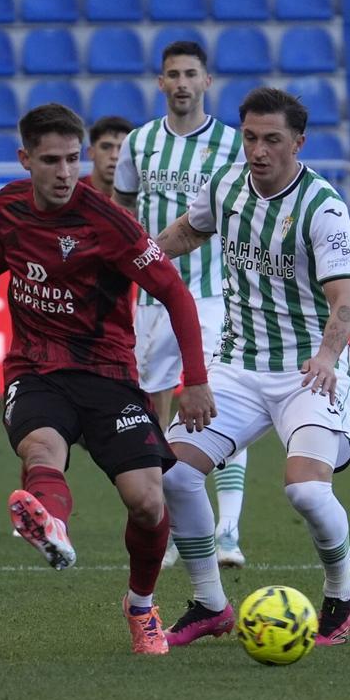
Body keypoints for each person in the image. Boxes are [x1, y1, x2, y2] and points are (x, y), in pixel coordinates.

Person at [0, 103, 216, 656]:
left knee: (148, 501)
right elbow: (7, 245)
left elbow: (174, 292)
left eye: (73, 159)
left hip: (108, 374)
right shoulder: (10, 202)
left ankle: (141, 606)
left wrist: (193, 379)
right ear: (24, 159)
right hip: (36, 368)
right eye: (50, 160)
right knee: (41, 447)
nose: (64, 172)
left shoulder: (110, 224)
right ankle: (51, 524)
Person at [154, 87, 350, 647]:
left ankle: (340, 592)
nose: (259, 151)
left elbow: (345, 298)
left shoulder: (324, 206)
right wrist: (142, 257)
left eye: (272, 139)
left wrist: (326, 355)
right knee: (173, 474)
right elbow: (189, 231)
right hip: (239, 365)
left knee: (308, 494)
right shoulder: (224, 186)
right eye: (250, 138)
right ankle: (209, 603)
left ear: (298, 141)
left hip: (308, 372)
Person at [113, 40, 249, 570]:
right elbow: (122, 206)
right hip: (152, 300)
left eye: (192, 73)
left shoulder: (233, 144)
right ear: (161, 83)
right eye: (173, 74)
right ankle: (169, 528)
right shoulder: (140, 143)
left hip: (215, 294)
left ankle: (229, 530)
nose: (183, 82)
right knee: (152, 408)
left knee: (223, 404)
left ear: (207, 82)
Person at [81, 115, 133, 198]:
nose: (114, 155)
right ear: (91, 152)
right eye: (106, 147)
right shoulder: (72, 193)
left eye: (122, 148)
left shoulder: (142, 198)